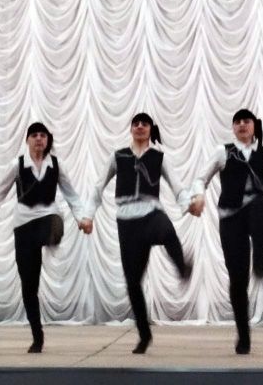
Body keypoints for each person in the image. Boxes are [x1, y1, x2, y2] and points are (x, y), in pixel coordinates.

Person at [190, 109, 263, 354]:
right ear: (233, 127)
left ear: (255, 125)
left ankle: (260, 260)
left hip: (256, 209)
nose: (242, 125)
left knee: (262, 204)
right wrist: (199, 196)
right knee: (237, 279)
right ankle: (243, 334)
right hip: (230, 217)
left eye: (247, 121)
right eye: (238, 122)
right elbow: (200, 178)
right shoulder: (222, 152)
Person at [83, 113, 196, 354]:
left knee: (166, 229)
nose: (140, 127)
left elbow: (177, 186)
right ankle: (144, 335)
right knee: (133, 282)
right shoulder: (118, 156)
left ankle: (182, 266)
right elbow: (98, 187)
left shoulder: (159, 157)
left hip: (150, 212)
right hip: (127, 221)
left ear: (151, 129)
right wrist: (88, 216)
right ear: (131, 129)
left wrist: (188, 205)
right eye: (136, 123)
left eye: (145, 124)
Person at [0, 122, 90, 353]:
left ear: (47, 140)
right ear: (27, 140)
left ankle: (51, 236)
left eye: (42, 135)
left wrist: (82, 218)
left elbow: (71, 194)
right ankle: (37, 336)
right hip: (23, 226)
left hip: (48, 218)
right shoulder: (17, 165)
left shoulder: (56, 165)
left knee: (54, 220)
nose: (39, 139)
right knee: (29, 285)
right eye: (34, 135)